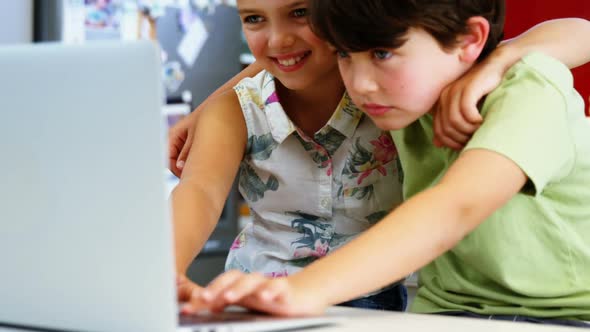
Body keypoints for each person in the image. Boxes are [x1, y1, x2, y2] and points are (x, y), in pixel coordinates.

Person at [185, 0, 590, 327]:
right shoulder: (402, 96)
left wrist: (301, 289)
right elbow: (289, 51)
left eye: (382, 53)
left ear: (469, 39)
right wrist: (203, 111)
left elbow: (456, 206)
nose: (360, 85)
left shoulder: (528, 90)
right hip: (440, 313)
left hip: (562, 314)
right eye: (346, 54)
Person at [173, 0, 410, 312]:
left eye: (300, 13)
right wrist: (166, 270)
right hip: (250, 294)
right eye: (254, 18)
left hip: (368, 296)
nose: (277, 40)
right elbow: (200, 190)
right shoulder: (232, 109)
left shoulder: (391, 96)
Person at [168, 17, 590, 176]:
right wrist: (210, 105)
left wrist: (502, 60)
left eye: (299, 12)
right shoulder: (366, 69)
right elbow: (285, 53)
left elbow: (580, 31)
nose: (363, 81)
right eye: (252, 17)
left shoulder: (424, 65)